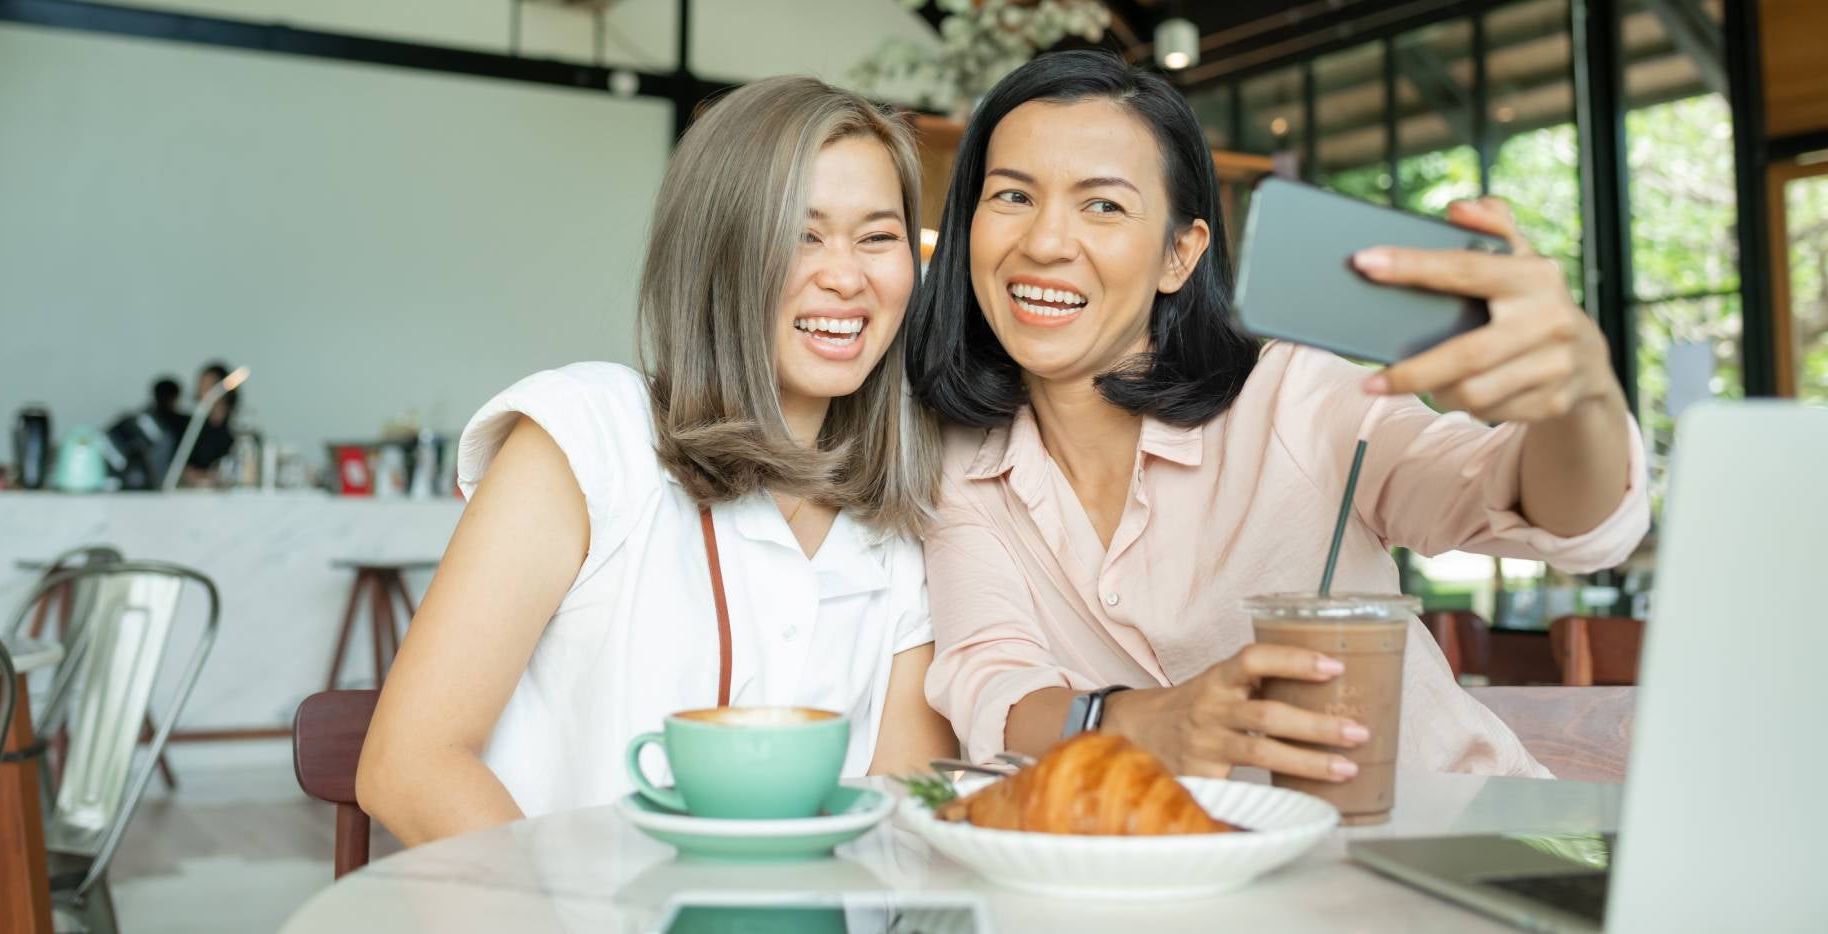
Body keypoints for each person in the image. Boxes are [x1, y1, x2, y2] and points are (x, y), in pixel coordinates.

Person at [905, 51, 1649, 782]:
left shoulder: (1294, 397)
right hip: (1215, 885)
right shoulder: (958, 466)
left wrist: (1575, 403)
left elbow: (1550, 514)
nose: (1044, 242)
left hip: (1449, 849)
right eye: (1011, 196)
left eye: (1103, 204)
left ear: (1179, 255)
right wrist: (1135, 724)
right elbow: (993, 690)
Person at [357, 76, 958, 844]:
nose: (846, 276)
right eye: (800, 234)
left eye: (878, 237)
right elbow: (410, 766)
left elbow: (895, 824)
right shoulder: (588, 436)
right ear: (717, 253)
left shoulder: (904, 516)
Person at [106, 376, 187, 489]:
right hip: (138, 485)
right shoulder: (167, 430)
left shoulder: (135, 418)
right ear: (174, 398)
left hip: (111, 480)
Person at [183, 360, 238, 478]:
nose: (203, 392)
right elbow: (183, 468)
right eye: (201, 386)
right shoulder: (192, 427)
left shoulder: (237, 428)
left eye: (209, 386)